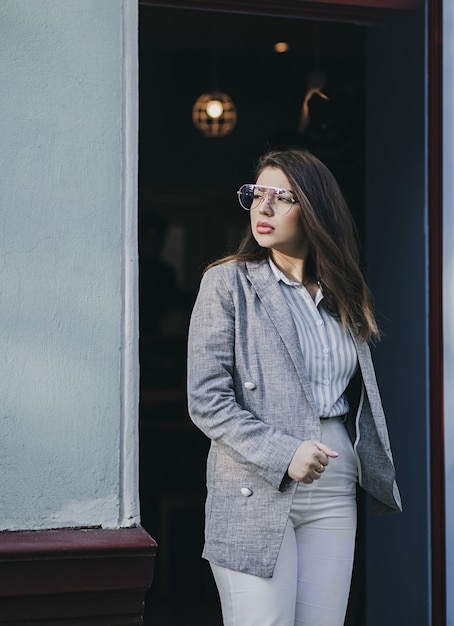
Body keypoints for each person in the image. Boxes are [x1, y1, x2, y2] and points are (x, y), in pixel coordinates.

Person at [187, 148, 401, 626]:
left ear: (315, 209)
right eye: (256, 195)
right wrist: (285, 453)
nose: (262, 209)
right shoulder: (227, 284)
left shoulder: (343, 293)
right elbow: (207, 400)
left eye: (281, 198)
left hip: (334, 484)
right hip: (253, 482)